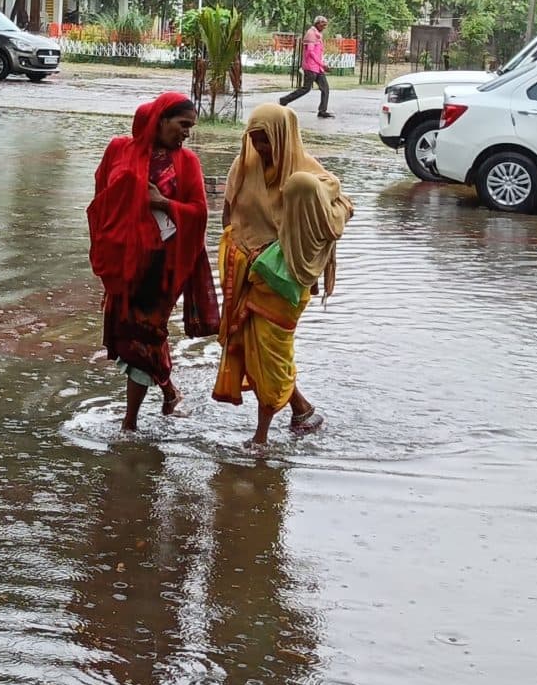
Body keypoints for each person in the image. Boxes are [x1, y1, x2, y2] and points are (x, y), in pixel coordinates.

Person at [215, 103, 350, 441]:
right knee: (250, 347)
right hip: (245, 271)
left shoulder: (309, 175)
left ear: (284, 138)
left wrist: (303, 256)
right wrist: (238, 250)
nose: (261, 149)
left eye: (267, 142)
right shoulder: (244, 167)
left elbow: (339, 214)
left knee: (273, 352)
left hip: (284, 282)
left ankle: (260, 437)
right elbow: (228, 216)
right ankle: (302, 411)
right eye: (255, 140)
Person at [88, 92, 218, 432]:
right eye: (182, 124)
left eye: (190, 126)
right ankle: (170, 391)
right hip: (123, 262)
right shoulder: (120, 149)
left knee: (145, 336)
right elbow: (101, 197)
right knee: (128, 335)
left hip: (161, 268)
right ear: (160, 120)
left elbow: (200, 212)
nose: (186, 132)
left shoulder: (187, 163)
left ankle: (129, 423)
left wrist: (163, 204)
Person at [280, 15, 333, 115]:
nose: (324, 27)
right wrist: (322, 64)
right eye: (323, 24)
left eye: (325, 25)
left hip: (318, 68)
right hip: (311, 67)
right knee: (306, 88)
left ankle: (322, 111)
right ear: (317, 23)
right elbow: (310, 52)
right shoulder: (311, 34)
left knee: (325, 88)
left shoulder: (318, 34)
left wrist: (321, 65)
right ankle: (284, 100)